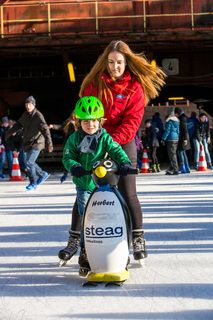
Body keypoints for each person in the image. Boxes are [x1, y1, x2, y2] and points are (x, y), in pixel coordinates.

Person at [59, 40, 166, 262]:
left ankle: (137, 237)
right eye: (110, 62)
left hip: (122, 142)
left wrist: (109, 143)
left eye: (119, 62)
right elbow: (86, 108)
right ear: (105, 62)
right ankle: (74, 238)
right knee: (84, 192)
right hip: (93, 139)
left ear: (126, 62)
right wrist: (88, 132)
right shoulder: (95, 84)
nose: (114, 66)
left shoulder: (134, 87)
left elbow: (132, 122)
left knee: (128, 192)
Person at [60, 96, 132, 271]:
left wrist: (124, 162)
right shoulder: (74, 139)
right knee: (87, 217)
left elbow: (115, 149)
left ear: (100, 121)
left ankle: (119, 248)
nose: (90, 125)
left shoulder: (104, 137)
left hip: (102, 185)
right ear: (78, 122)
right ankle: (85, 251)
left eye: (93, 121)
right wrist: (74, 166)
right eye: (85, 121)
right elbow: (67, 156)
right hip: (84, 185)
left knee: (114, 213)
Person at [6, 96, 53, 190]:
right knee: (28, 162)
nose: (28, 106)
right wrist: (8, 133)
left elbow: (45, 130)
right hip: (29, 142)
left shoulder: (38, 116)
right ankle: (43, 174)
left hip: (38, 142)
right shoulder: (25, 115)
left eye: (30, 104)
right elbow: (18, 125)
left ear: (33, 105)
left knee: (29, 162)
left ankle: (33, 182)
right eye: (26, 104)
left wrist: (49, 144)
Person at [49, 112, 75, 183]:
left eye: (75, 114)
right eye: (73, 114)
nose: (73, 115)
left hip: (76, 144)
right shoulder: (68, 121)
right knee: (67, 158)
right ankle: (65, 174)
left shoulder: (80, 122)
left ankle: (76, 174)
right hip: (68, 143)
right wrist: (53, 126)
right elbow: (61, 127)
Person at [162, 108, 180, 175]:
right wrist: (177, 137)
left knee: (172, 155)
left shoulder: (169, 121)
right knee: (173, 154)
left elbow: (167, 131)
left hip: (170, 139)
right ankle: (172, 168)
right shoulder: (177, 121)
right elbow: (178, 131)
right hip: (176, 139)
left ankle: (175, 170)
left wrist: (163, 138)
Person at [174, 107, 191, 173]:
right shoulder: (183, 117)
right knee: (183, 153)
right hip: (183, 138)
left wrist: (185, 139)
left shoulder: (182, 118)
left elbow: (185, 129)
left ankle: (183, 167)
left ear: (177, 113)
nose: (175, 115)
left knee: (180, 152)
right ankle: (187, 167)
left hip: (182, 138)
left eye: (175, 113)